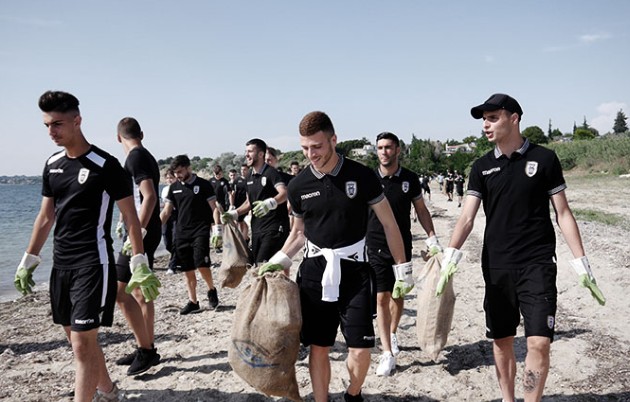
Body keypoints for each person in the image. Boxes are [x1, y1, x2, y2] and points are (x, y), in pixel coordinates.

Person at [438, 93, 606, 402]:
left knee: (539, 343)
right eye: (484, 120)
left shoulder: (544, 159)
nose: (486, 125)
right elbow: (466, 216)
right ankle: (508, 398)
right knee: (502, 341)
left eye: (493, 118)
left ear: (514, 118)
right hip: (497, 266)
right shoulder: (481, 166)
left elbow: (563, 213)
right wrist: (450, 255)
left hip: (537, 263)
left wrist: (582, 260)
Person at [13, 91, 160, 402]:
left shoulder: (105, 165)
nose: (51, 132)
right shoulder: (52, 164)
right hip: (61, 265)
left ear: (77, 121)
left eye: (57, 124)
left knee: (81, 342)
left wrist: (139, 260)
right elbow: (45, 216)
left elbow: (131, 217)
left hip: (95, 264)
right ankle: (107, 390)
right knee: (80, 341)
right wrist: (28, 259)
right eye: (47, 126)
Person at [258, 112, 410, 402]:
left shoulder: (362, 176)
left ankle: (353, 394)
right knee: (319, 346)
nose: (310, 154)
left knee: (361, 349)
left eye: (317, 146)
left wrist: (403, 268)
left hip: (355, 272)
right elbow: (298, 233)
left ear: (333, 140)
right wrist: (280, 258)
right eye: (305, 148)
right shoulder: (297, 186)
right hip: (315, 271)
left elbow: (390, 224)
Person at [367, 132, 441, 376]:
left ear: (398, 150)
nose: (384, 152)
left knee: (398, 295)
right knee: (380, 297)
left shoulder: (409, 178)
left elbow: (421, 210)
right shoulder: (368, 178)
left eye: (388, 147)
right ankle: (386, 352)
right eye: (379, 147)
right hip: (375, 244)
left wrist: (432, 238)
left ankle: (393, 332)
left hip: (402, 246)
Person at [113, 117, 162, 375]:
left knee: (121, 291)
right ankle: (145, 346)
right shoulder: (144, 155)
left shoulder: (135, 157)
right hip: (143, 231)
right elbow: (137, 197)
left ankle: (146, 350)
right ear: (141, 133)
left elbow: (150, 196)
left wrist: (137, 234)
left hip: (142, 233)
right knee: (137, 291)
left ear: (118, 137)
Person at [160, 155, 222, 314]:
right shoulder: (174, 188)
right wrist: (150, 229)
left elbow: (214, 208)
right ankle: (193, 301)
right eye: (175, 173)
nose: (178, 175)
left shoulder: (204, 184)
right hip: (181, 232)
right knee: (187, 268)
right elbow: (166, 212)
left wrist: (217, 229)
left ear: (189, 168)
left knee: (201, 263)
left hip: (200, 229)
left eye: (180, 171)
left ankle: (211, 289)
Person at [222, 139, 289, 265]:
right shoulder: (249, 177)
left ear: (260, 154)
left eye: (250, 151)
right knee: (257, 267)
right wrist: (234, 213)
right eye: (246, 151)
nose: (246, 155)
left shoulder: (271, 173)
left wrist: (270, 203)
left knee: (262, 265)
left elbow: (284, 193)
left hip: (274, 228)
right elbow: (249, 202)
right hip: (257, 228)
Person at [161, 168, 180, 274]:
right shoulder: (164, 190)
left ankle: (172, 266)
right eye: (167, 178)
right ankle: (178, 258)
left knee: (175, 240)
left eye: (171, 178)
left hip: (176, 215)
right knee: (166, 241)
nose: (169, 180)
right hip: (165, 215)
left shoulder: (178, 189)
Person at [227, 165, 250, 241]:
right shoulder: (237, 180)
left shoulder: (250, 179)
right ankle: (244, 238)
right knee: (239, 221)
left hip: (246, 204)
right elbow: (232, 193)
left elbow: (249, 194)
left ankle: (245, 238)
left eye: (245, 170)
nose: (243, 171)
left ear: (248, 170)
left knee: (242, 221)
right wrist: (232, 205)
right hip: (237, 204)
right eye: (242, 169)